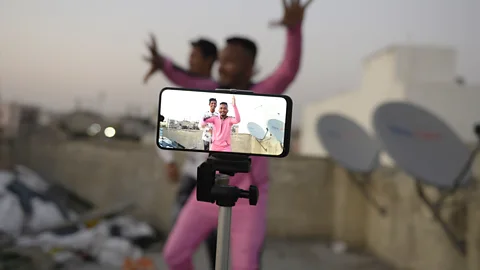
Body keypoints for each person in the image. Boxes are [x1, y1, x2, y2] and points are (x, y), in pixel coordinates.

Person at [144, 1, 312, 268]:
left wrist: (294, 30)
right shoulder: (211, 89)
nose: (221, 67)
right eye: (221, 60)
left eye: (230, 62)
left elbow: (288, 69)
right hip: (208, 187)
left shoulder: (263, 93)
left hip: (248, 198)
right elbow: (184, 79)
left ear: (250, 68)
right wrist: (162, 63)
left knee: (244, 265)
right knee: (174, 254)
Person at [153, 38, 219, 270]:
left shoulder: (217, 92)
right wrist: (169, 161)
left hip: (214, 176)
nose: (189, 60)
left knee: (216, 239)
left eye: (194, 56)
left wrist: (164, 64)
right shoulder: (185, 93)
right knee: (177, 238)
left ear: (209, 60)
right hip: (191, 174)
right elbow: (165, 129)